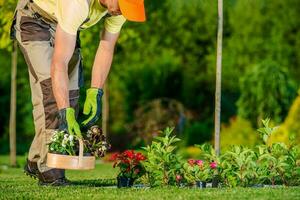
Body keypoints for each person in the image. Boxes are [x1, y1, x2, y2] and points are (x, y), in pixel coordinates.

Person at [10, 0, 146, 186]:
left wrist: (95, 92)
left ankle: (35, 160)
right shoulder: (76, 4)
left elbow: (106, 48)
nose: (123, 13)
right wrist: (65, 111)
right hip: (34, 21)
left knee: (71, 95)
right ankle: (49, 170)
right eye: (124, 7)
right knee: (54, 95)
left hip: (63, 25)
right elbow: (59, 64)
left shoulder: (119, 9)